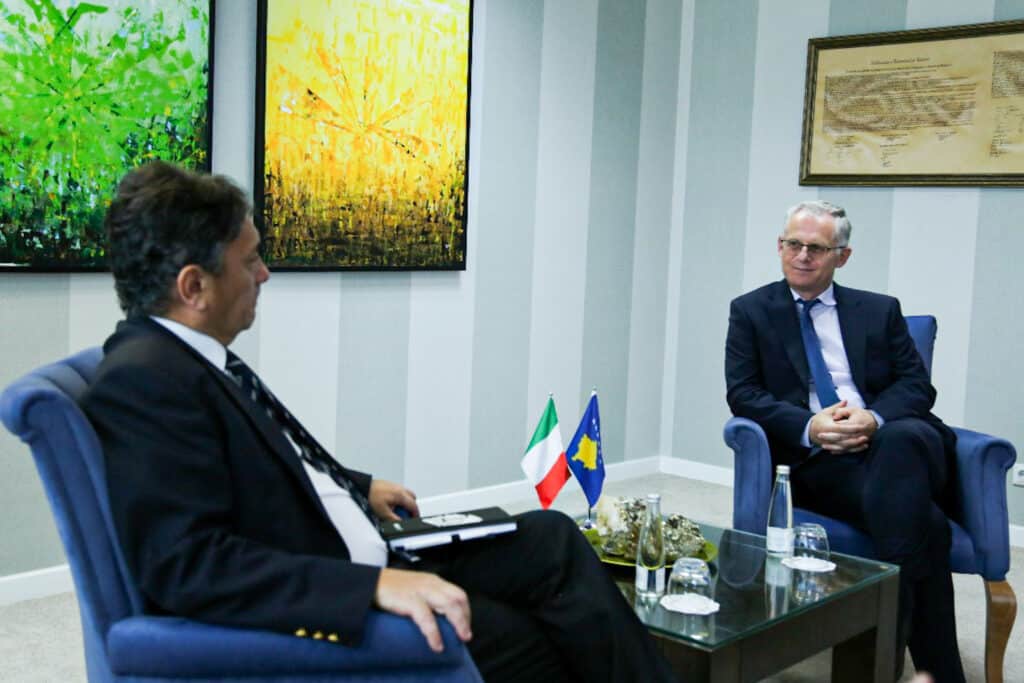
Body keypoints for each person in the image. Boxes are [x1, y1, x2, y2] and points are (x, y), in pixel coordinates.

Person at [81, 161, 678, 683]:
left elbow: (272, 460)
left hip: (362, 542)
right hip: (339, 582)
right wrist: (373, 587)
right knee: (542, 636)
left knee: (551, 538)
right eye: (251, 259)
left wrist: (356, 486)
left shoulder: (190, 356)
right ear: (194, 287)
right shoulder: (144, 383)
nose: (264, 274)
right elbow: (187, 565)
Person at [724, 200, 964, 683]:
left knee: (900, 441)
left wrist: (872, 418)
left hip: (895, 443)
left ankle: (878, 667)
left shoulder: (879, 310)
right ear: (779, 246)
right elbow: (743, 394)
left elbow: (917, 387)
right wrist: (810, 426)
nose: (802, 255)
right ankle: (936, 673)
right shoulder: (751, 311)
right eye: (793, 244)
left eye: (816, 248)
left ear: (842, 256)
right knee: (927, 525)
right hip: (820, 460)